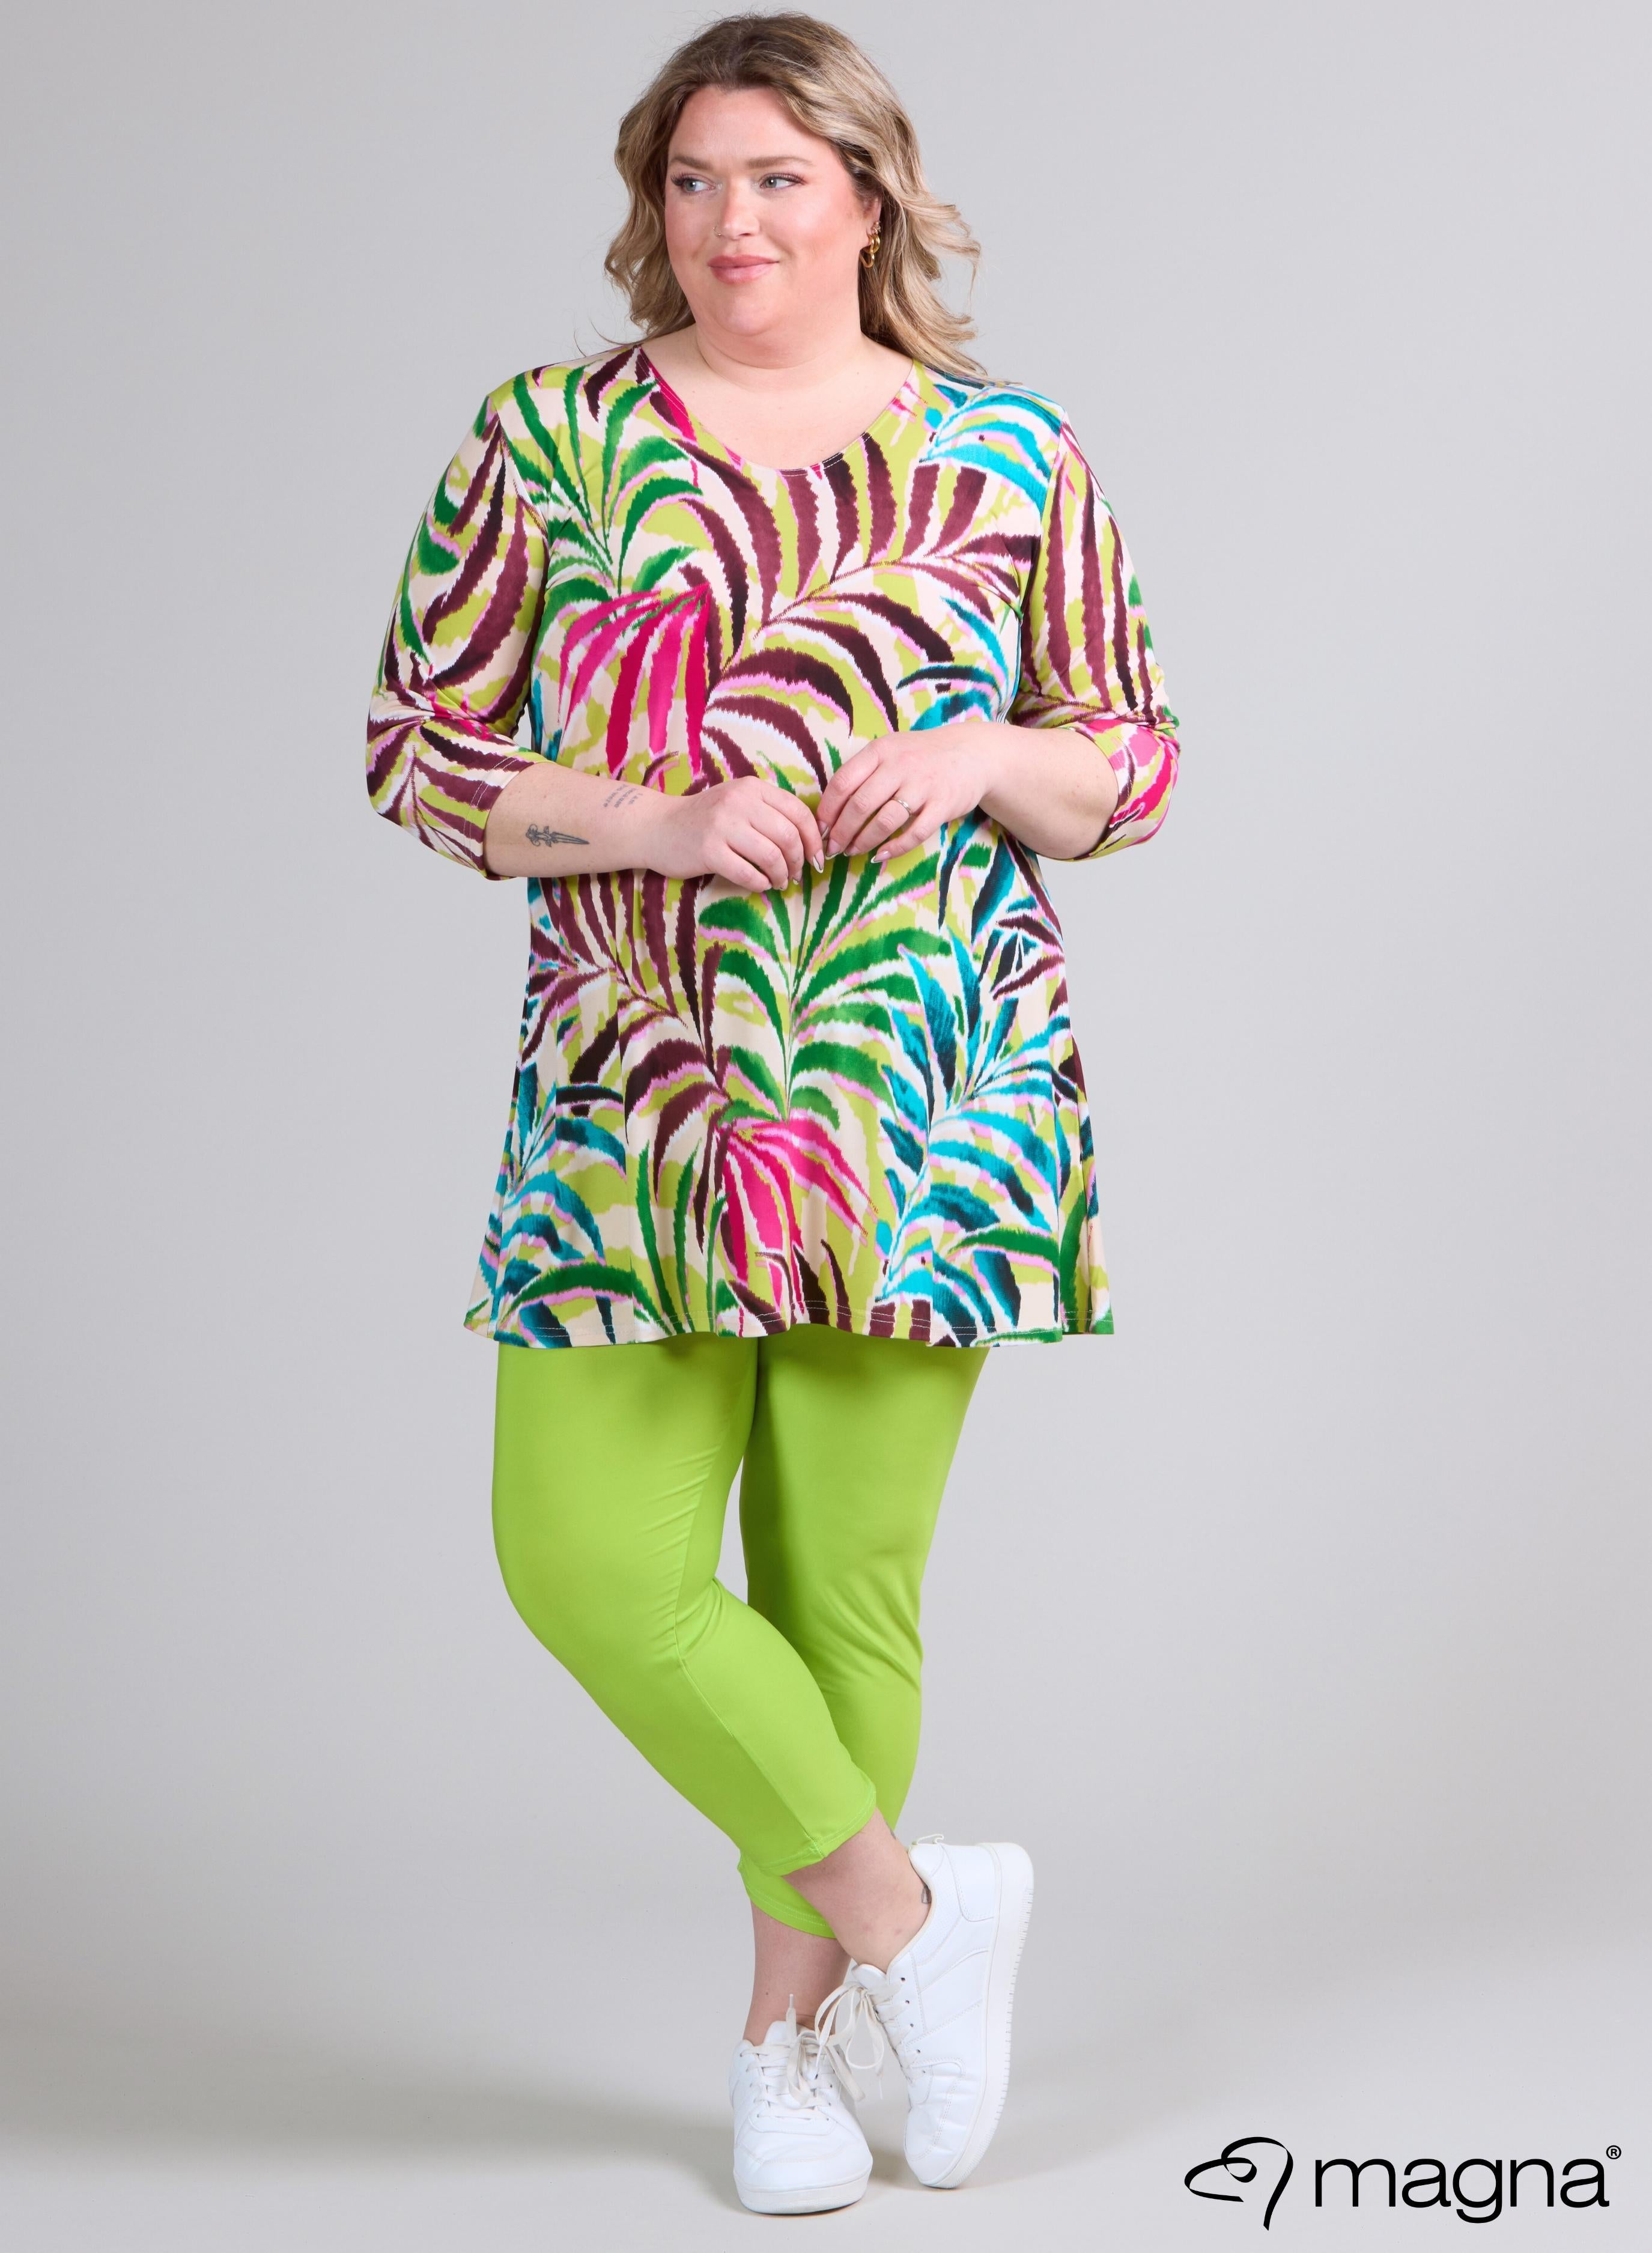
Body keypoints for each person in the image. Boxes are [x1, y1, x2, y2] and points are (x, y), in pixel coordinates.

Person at [365, 8, 1179, 2215]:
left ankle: (789, 2055)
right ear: (656, 204)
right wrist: (649, 816)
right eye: (694, 179)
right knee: (587, 1565)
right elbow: (422, 746)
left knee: (845, 1595)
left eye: (779, 178)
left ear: (870, 195)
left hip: (926, 1090)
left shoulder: (1009, 452)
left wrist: (985, 756)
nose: (732, 220)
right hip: (629, 1095)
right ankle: (919, 1919)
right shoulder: (548, 439)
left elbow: (1128, 757)